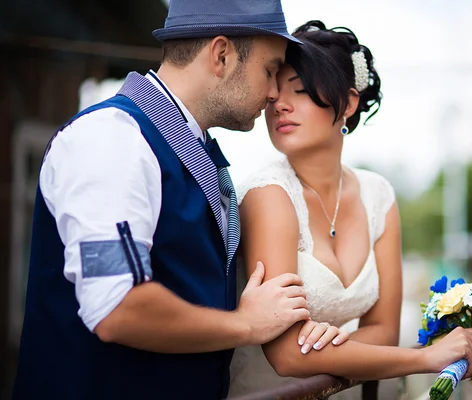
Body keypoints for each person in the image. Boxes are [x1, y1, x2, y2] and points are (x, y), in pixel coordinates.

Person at [12, 1, 317, 399]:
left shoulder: (191, 148)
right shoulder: (111, 139)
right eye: (271, 70)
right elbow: (117, 306)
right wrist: (246, 324)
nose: (275, 92)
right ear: (221, 54)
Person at [229, 20, 472, 397]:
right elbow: (287, 354)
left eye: (300, 91)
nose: (280, 106)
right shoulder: (268, 195)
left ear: (349, 103)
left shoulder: (377, 195)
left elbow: (383, 328)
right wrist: (426, 358)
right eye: (272, 98)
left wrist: (328, 343)